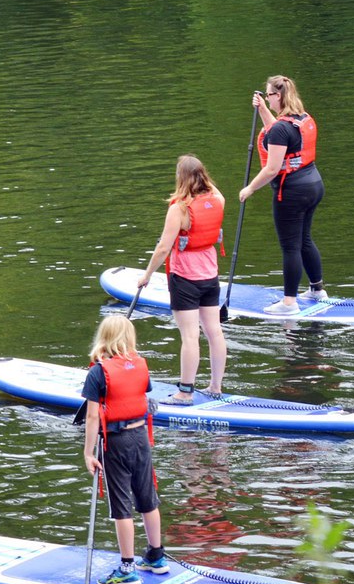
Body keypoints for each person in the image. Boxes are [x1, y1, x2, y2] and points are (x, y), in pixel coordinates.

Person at [81, 314, 167, 584]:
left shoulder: (98, 371)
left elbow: (93, 417)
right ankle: (156, 556)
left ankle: (127, 567)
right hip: (141, 437)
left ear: (103, 338)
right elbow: (142, 394)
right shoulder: (141, 365)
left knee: (121, 504)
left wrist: (88, 453)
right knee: (147, 497)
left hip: (116, 442)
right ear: (129, 338)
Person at [137, 155, 226, 403]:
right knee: (214, 331)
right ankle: (215, 387)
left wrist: (146, 275)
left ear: (181, 178)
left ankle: (185, 392)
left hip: (185, 278)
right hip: (210, 276)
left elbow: (164, 247)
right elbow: (212, 191)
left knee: (189, 335)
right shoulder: (218, 200)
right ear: (203, 176)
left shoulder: (179, 209)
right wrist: (201, 174)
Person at [239, 76, 326, 315]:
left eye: (269, 95)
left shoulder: (280, 129)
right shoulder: (302, 118)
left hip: (292, 193)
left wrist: (250, 188)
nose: (267, 98)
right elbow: (276, 131)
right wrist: (264, 110)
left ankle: (289, 303)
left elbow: (272, 169)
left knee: (290, 247)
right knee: (304, 239)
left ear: (280, 96)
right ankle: (317, 290)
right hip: (313, 185)